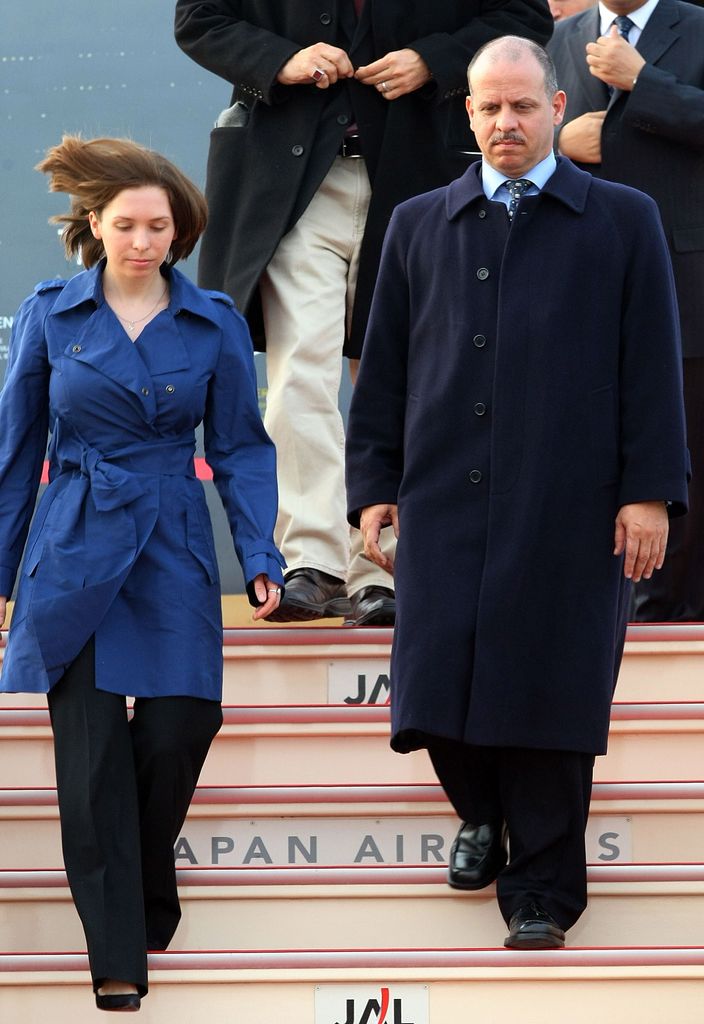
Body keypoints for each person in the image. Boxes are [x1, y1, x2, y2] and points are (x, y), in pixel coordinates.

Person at [345, 37, 688, 948]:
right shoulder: (420, 222)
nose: (506, 122)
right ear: (467, 113)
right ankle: (483, 816)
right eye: (489, 107)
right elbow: (383, 371)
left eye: (523, 106)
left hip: (573, 503)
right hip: (443, 498)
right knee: (429, 689)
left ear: (557, 104)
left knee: (550, 692)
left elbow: (652, 364)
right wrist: (373, 485)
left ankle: (540, 891)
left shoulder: (623, 218)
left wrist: (651, 492)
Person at [0, 135, 285, 1011]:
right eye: (125, 224)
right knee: (88, 768)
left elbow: (239, 448)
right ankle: (118, 958)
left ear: (177, 231)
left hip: (171, 540)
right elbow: (16, 454)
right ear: (96, 224)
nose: (142, 240)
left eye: (157, 225)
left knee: (181, 727)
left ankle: (143, 877)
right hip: (74, 541)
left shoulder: (214, 322)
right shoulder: (52, 314)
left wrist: (262, 554)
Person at [174, 0, 554, 626]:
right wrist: (284, 60)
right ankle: (312, 561)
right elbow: (199, 19)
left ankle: (388, 566)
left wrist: (433, 61)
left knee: (408, 378)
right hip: (292, 181)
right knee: (301, 369)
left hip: (419, 175)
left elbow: (523, 16)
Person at [548, 0, 704, 621]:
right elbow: (517, 139)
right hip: (578, 281)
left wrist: (644, 82)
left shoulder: (696, 28)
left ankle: (671, 612)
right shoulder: (559, 39)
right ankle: (591, 606)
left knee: (683, 443)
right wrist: (559, 140)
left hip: (684, 278)